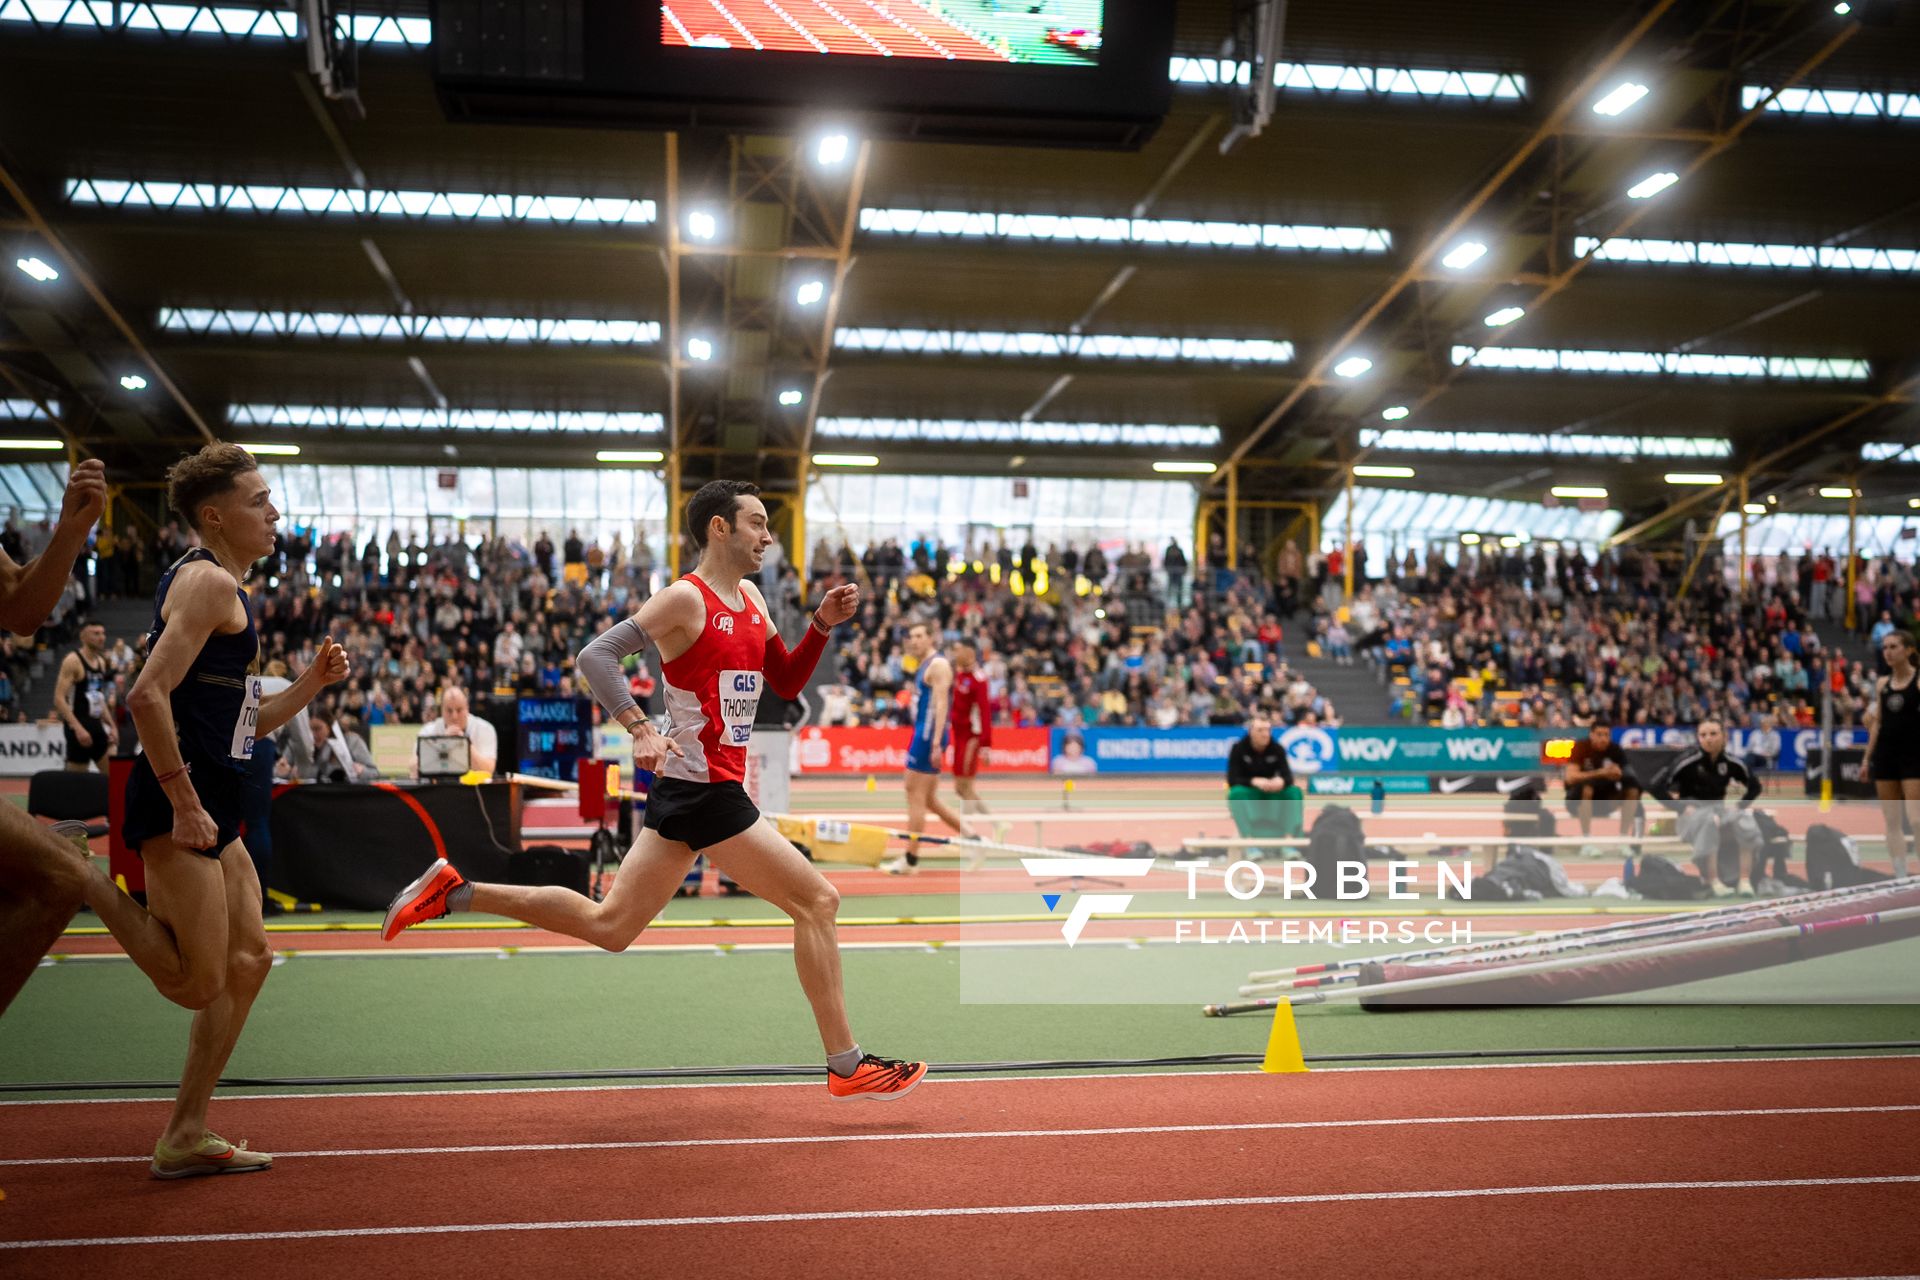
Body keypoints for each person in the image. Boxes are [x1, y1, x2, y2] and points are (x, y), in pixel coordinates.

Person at [381, 479, 926, 1101]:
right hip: (705, 788)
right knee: (817, 901)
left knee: (610, 925)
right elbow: (595, 657)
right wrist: (639, 727)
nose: (768, 537)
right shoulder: (683, 601)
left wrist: (822, 625)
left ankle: (458, 893)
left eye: (768, 525)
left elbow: (784, 679)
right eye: (756, 523)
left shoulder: (752, 599)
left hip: (693, 790)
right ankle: (847, 1064)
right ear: (718, 528)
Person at [74, 444, 349, 1176]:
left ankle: (186, 1133)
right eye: (260, 500)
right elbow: (144, 696)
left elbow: (243, 723)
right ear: (215, 515)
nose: (275, 511)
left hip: (212, 800)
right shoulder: (206, 585)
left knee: (250, 959)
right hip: (181, 801)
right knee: (198, 981)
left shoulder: (231, 592)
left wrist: (311, 685)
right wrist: (185, 804)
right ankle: (82, 876)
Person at [0, 457, 108, 1016]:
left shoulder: (98, 662)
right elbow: (65, 699)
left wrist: (72, 527)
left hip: (96, 735)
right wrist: (69, 724)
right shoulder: (71, 663)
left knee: (64, 874)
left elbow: (21, 606)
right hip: (74, 736)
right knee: (62, 870)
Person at [881, 622, 975, 874]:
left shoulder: (939, 665)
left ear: (931, 638)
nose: (914, 641)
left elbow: (942, 705)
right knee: (930, 800)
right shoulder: (927, 664)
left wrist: (935, 744)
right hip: (925, 735)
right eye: (911, 636)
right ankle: (975, 840)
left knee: (914, 795)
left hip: (927, 738)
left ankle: (910, 859)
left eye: (919, 636)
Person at [1648, 719, 1764, 897]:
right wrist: (1680, 808)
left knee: (1745, 820)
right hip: (1692, 813)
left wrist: (1739, 806)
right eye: (1703, 735)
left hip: (1719, 809)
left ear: (1724, 736)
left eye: (1713, 734)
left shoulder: (1732, 762)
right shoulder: (1687, 761)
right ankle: (1713, 881)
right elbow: (1655, 786)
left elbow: (1755, 786)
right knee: (1708, 822)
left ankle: (1744, 880)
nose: (1708, 739)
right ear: (1698, 738)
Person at [1861, 628, 1919, 878]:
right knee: (1892, 820)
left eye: (1894, 646)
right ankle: (1900, 874)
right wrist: (1866, 758)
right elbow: (1878, 724)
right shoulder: (1882, 684)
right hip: (1886, 755)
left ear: (1908, 650)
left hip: (1914, 755)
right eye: (1885, 647)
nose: (1888, 652)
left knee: (1916, 819)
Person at [1563, 722, 1642, 854]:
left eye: (1606, 735)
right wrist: (1601, 772)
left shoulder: (1615, 750)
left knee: (1633, 790)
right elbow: (1570, 778)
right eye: (1599, 735)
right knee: (1587, 788)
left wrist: (1619, 774)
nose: (1603, 739)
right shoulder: (1581, 747)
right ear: (1591, 735)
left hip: (1605, 802)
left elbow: (1628, 775)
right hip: (1577, 801)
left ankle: (1623, 841)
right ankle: (1587, 842)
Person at [1226, 713, 1303, 847]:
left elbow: (1288, 777)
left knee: (1294, 791)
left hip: (1272, 791)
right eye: (1260, 730)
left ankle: (1289, 841)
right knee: (1235, 793)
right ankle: (1249, 843)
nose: (1265, 734)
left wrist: (1281, 782)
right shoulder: (1238, 748)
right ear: (1251, 732)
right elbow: (1232, 779)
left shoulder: (1277, 749)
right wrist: (1253, 781)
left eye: (1268, 730)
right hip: (1250, 790)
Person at [53, 618, 116, 771]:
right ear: (83, 636)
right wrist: (78, 729)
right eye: (96, 633)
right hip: (77, 728)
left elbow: (99, 698)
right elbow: (59, 699)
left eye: (103, 633)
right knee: (78, 784)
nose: (102, 637)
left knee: (113, 778)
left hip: (96, 726)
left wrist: (112, 725)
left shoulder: (100, 662)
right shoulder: (73, 661)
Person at [948, 639, 994, 817]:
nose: (955, 654)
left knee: (965, 786)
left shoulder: (979, 679)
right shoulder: (959, 674)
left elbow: (985, 713)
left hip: (971, 737)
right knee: (960, 788)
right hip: (958, 734)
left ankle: (969, 832)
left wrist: (985, 744)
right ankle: (996, 823)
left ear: (970, 652)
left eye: (958, 650)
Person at [414, 685, 498, 777]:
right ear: (441, 710)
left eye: (459, 710)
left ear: (467, 708)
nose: (454, 716)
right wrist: (442, 743)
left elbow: (488, 770)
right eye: (449, 711)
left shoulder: (485, 729)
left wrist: (465, 744)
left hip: (474, 789)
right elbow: (413, 768)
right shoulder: (428, 731)